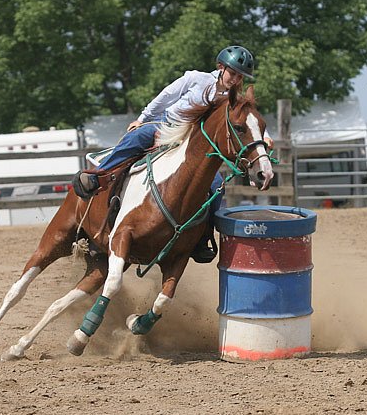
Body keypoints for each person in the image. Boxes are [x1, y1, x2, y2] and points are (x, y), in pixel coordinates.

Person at [72, 45, 269, 263]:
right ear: (220, 67)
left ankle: (203, 237)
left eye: (240, 76)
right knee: (136, 138)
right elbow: (166, 96)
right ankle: (97, 176)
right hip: (166, 126)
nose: (235, 79)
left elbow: (248, 120)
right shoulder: (197, 79)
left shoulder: (234, 99)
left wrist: (265, 135)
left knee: (215, 184)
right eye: (233, 73)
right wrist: (143, 118)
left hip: (190, 144)